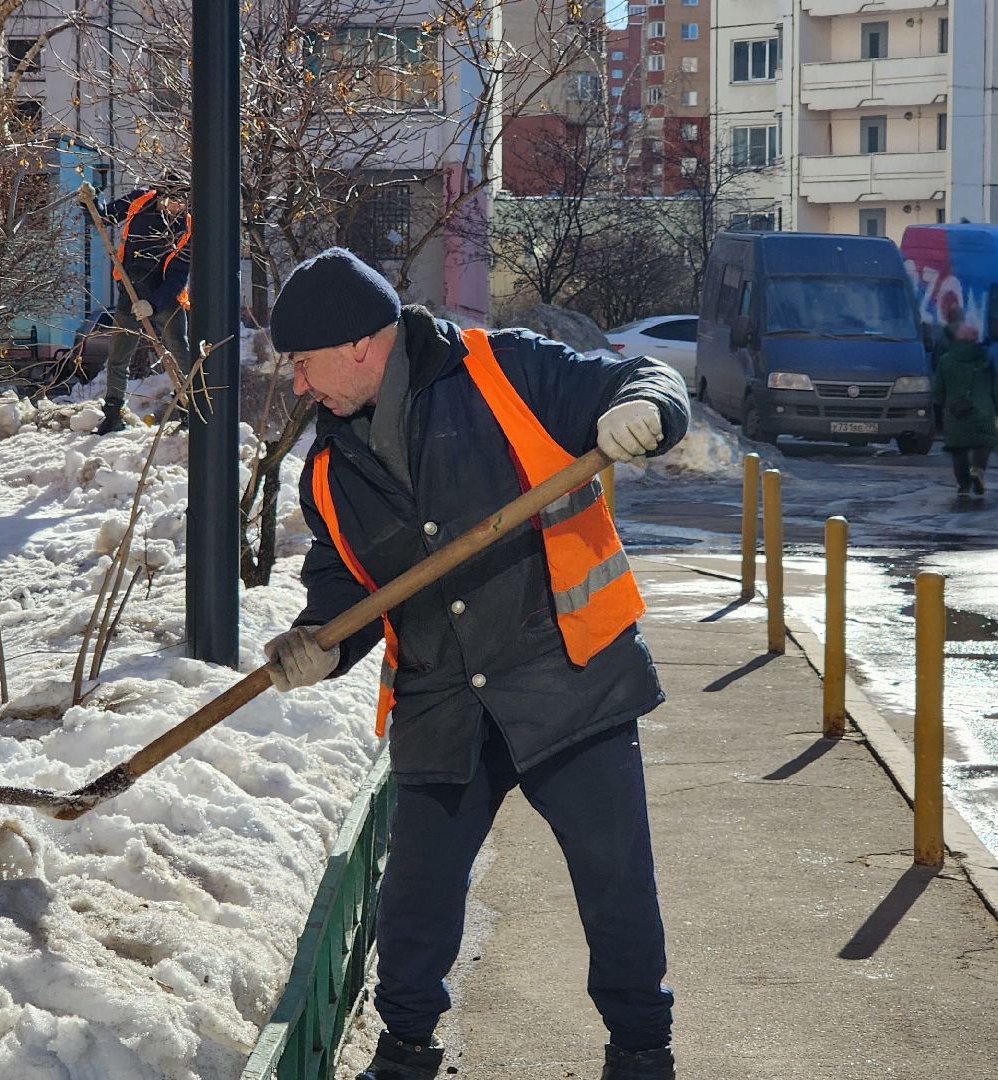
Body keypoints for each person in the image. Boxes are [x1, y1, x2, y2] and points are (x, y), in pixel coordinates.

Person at [258, 248, 689, 1080]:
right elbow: (344, 584)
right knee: (415, 898)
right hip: (443, 698)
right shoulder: (327, 467)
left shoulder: (501, 370)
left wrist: (644, 411)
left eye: (304, 364)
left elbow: (642, 379)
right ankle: (406, 1050)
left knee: (614, 882)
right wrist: (319, 640)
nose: (301, 386)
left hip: (567, 676)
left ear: (357, 345)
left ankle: (641, 1051)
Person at [97, 185, 192, 434]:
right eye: (174, 200)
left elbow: (178, 275)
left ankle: (189, 409)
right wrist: (91, 200)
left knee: (179, 352)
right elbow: (105, 216)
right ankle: (113, 414)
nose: (177, 207)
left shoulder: (187, 226)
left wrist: (153, 304)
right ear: (161, 196)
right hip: (130, 293)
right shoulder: (140, 200)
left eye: (182, 202)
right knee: (118, 356)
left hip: (165, 299)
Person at [932, 304, 998, 496]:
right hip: (983, 410)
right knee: (984, 442)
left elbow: (938, 391)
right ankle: (978, 469)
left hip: (956, 412)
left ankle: (963, 486)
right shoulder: (986, 358)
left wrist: (939, 408)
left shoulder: (946, 360)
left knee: (958, 449)